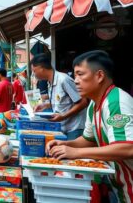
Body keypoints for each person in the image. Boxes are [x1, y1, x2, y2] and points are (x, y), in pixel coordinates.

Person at [47, 51, 133, 203]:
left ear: (99, 76)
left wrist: (76, 152)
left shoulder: (116, 102)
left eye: (80, 74)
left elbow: (127, 148)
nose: (76, 81)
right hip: (119, 186)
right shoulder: (93, 104)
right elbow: (89, 139)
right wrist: (66, 144)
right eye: (75, 75)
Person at [31, 54, 88, 140]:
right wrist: (45, 105)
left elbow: (83, 102)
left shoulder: (63, 80)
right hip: (63, 127)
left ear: (41, 68)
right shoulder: (50, 82)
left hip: (74, 128)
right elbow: (62, 100)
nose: (33, 74)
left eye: (34, 71)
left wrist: (63, 116)